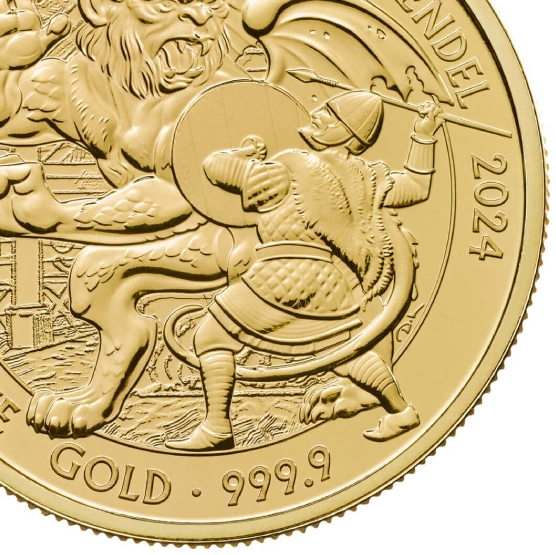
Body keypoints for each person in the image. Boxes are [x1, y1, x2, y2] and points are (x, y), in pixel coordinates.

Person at [166, 89, 445, 451]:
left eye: (329, 112)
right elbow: (418, 186)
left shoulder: (290, 169)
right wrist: (423, 134)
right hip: (329, 284)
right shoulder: (366, 178)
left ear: (344, 132)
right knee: (348, 355)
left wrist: (245, 153)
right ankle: (401, 410)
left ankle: (217, 427)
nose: (317, 113)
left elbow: (214, 168)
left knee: (210, 337)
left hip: (281, 275)